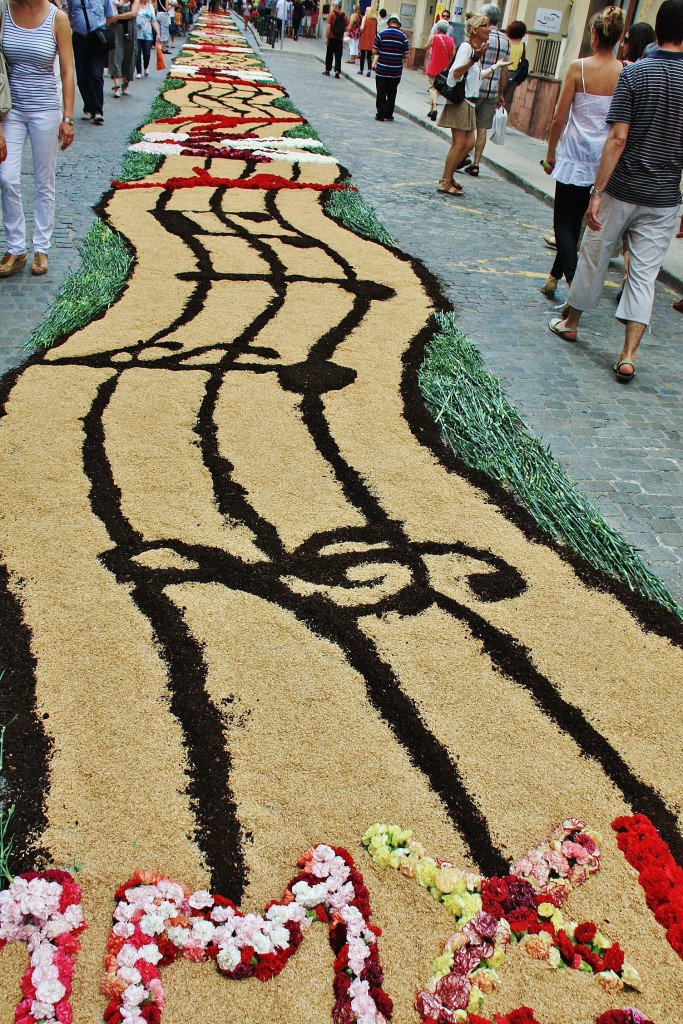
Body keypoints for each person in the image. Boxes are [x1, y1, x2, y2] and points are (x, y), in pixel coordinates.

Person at [548, 0, 683, 384]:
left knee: (594, 254)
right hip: (664, 198)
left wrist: (597, 190)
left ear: (657, 29)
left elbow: (618, 137)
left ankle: (571, 322)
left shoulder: (636, 74)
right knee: (643, 275)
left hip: (622, 188)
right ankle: (627, 354)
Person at [539, 6, 624, 300]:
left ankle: (574, 282)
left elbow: (559, 117)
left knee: (563, 222)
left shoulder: (579, 67)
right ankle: (552, 278)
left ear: (595, 35)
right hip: (604, 160)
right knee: (574, 225)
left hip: (575, 155)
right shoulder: (623, 71)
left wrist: (550, 154)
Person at [0, 0, 74, 278]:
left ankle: (41, 247)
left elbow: (67, 70)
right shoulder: (3, 11)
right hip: (11, 111)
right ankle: (16, 247)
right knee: (6, 177)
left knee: (44, 181)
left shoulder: (58, 18)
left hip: (46, 110)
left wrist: (67, 118)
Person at [436, 13, 506, 195]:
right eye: (484, 25)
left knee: (469, 143)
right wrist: (474, 59)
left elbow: (475, 77)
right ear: (475, 30)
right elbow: (454, 74)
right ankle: (444, 181)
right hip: (461, 102)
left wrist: (495, 67)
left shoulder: (474, 50)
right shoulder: (467, 48)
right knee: (460, 144)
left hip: (469, 103)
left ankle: (449, 177)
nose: (488, 29)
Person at [464, 2, 509, 177]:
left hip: (474, 88)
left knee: (468, 126)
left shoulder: (479, 34)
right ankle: (475, 164)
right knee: (482, 128)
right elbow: (504, 70)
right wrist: (501, 93)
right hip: (492, 91)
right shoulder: (505, 40)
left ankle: (465, 156)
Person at [66, 0, 116, 124]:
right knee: (82, 75)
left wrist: (99, 29)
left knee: (96, 74)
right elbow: (69, 14)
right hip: (79, 38)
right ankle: (88, 108)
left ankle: (98, 111)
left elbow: (110, 16)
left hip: (97, 39)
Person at [372, 11, 408, 121]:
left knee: (381, 92)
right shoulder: (403, 37)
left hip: (382, 69)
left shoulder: (381, 34)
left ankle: (381, 114)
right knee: (392, 93)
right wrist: (397, 56)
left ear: (388, 23)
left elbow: (374, 50)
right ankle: (389, 113)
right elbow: (406, 55)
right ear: (399, 24)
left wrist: (381, 53)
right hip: (395, 71)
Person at [424, 19, 454, 121]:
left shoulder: (435, 37)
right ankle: (431, 109)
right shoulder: (451, 41)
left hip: (434, 66)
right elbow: (453, 55)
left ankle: (435, 108)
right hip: (444, 69)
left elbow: (426, 47)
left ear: (438, 29)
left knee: (432, 88)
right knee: (437, 90)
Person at [109, 0, 140, 95]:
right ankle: (116, 87)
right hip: (116, 28)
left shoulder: (135, 1)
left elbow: (133, 13)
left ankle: (125, 85)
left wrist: (118, 16)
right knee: (116, 54)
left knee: (130, 55)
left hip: (130, 29)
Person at [503, 19, 526, 110]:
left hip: (503, 71)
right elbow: (522, 60)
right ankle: (503, 119)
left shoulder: (506, 42)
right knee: (507, 100)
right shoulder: (522, 45)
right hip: (514, 74)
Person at [322, 0, 347, 78]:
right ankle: (337, 71)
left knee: (329, 54)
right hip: (340, 38)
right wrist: (343, 31)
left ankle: (328, 70)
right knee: (338, 55)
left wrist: (326, 37)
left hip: (332, 37)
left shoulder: (332, 14)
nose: (333, 7)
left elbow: (329, 26)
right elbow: (348, 27)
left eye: (333, 5)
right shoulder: (344, 15)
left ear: (336, 6)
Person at [135, 0, 157, 77]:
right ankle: (138, 72)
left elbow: (153, 21)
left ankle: (146, 67)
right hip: (137, 33)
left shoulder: (150, 6)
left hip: (148, 34)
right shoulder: (136, 4)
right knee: (137, 53)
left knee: (147, 53)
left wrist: (158, 33)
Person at [358, 2, 376, 75]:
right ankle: (369, 70)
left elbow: (362, 28)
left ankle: (361, 70)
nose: (365, 12)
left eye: (366, 11)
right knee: (369, 56)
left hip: (364, 38)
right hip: (371, 39)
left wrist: (360, 30)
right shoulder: (375, 20)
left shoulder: (365, 18)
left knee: (362, 55)